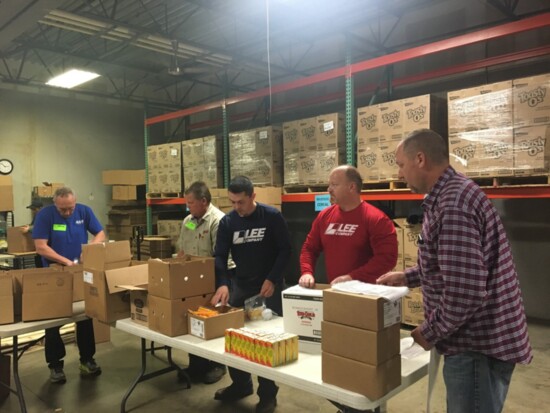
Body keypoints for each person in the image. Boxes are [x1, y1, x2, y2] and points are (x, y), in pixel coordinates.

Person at [377, 129, 532, 413]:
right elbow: (449, 264)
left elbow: (466, 294)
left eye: (400, 164)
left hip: (476, 346)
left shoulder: (452, 205)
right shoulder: (451, 194)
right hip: (476, 342)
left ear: (420, 159)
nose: (399, 174)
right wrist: (408, 277)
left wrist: (429, 332)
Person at [211, 176, 291, 413]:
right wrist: (223, 284)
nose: (237, 207)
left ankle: (267, 394)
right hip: (241, 287)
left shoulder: (272, 217)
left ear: (253, 197)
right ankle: (240, 384)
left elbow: (285, 250)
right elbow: (219, 256)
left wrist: (273, 278)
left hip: (269, 288)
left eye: (241, 202)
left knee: (265, 343)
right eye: (232, 202)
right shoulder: (228, 223)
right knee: (234, 339)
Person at [32, 186, 105, 384]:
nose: (68, 213)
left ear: (75, 202)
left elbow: (100, 233)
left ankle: (87, 360)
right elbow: (40, 246)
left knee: (84, 315)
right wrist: (65, 261)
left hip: (80, 270)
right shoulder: (45, 216)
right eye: (63, 209)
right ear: (55, 204)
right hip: (55, 272)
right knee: (54, 320)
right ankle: (55, 365)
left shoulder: (84, 211)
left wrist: (89, 249)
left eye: (70, 208)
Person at [299, 165, 398, 289]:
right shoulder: (324, 216)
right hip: (336, 291)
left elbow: (386, 258)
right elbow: (309, 248)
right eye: (329, 185)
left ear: (352, 187)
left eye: (334, 185)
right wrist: (307, 272)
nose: (329, 189)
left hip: (367, 294)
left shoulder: (377, 219)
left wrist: (351, 278)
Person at [176, 181, 233, 385]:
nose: (188, 207)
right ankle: (197, 365)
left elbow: (221, 256)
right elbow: (183, 250)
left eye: (190, 203)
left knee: (214, 323)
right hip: (193, 280)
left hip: (215, 278)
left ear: (203, 201)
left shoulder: (218, 221)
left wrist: (221, 284)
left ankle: (218, 365)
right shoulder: (189, 221)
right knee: (194, 322)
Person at [21, 199, 44, 267]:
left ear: (40, 208)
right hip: (37, 247)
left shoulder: (45, 215)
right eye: (32, 209)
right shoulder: (37, 215)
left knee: (43, 267)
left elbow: (42, 226)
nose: (33, 211)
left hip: (45, 246)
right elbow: (34, 225)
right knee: (38, 265)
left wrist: (29, 229)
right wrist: (29, 226)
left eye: (34, 209)